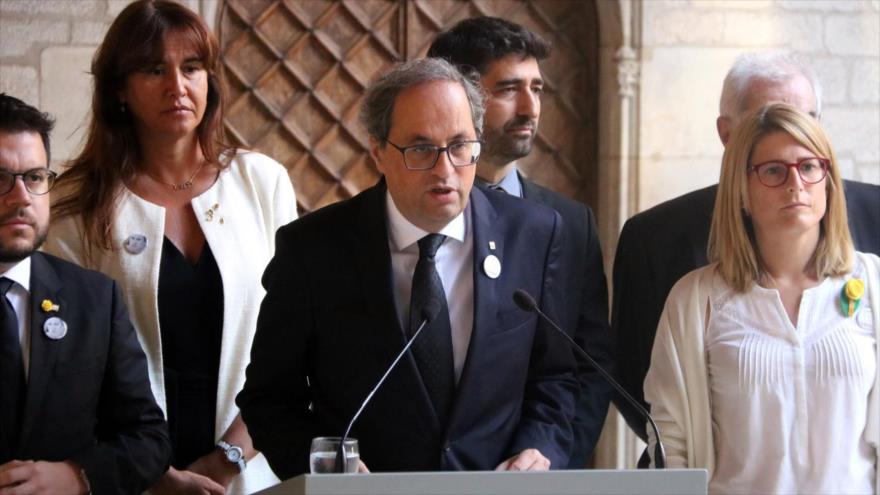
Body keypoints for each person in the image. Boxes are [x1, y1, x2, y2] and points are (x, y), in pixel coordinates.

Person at [237, 57, 577, 479]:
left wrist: (538, 447)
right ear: (378, 151)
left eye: (459, 146)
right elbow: (268, 399)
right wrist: (322, 464)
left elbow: (556, 378)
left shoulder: (533, 235)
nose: (445, 169)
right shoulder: (312, 249)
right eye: (421, 149)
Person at [42, 1, 296, 493]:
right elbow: (66, 371)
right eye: (154, 69)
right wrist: (150, 473)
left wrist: (229, 458)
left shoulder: (262, 183)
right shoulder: (76, 208)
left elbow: (297, 347)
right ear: (119, 88)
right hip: (128, 475)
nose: (177, 87)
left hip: (249, 470)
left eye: (192, 68)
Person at [612, 52, 880, 440]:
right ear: (727, 134)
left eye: (805, 119)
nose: (789, 133)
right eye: (767, 120)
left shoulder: (871, 257)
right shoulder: (662, 247)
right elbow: (641, 387)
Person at [643, 102, 879, 493]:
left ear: (829, 181)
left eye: (809, 166)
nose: (795, 183)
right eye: (773, 170)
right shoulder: (695, 299)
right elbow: (671, 443)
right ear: (741, 192)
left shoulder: (873, 282)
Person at [427, 16, 613, 467]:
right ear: (460, 99)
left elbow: (588, 366)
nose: (531, 108)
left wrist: (548, 455)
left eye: (538, 88)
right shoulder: (415, 210)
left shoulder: (570, 223)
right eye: (509, 89)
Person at [0, 93, 170, 494]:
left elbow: (149, 439)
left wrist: (79, 476)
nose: (22, 197)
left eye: (35, 177)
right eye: (0, 179)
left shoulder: (94, 299)